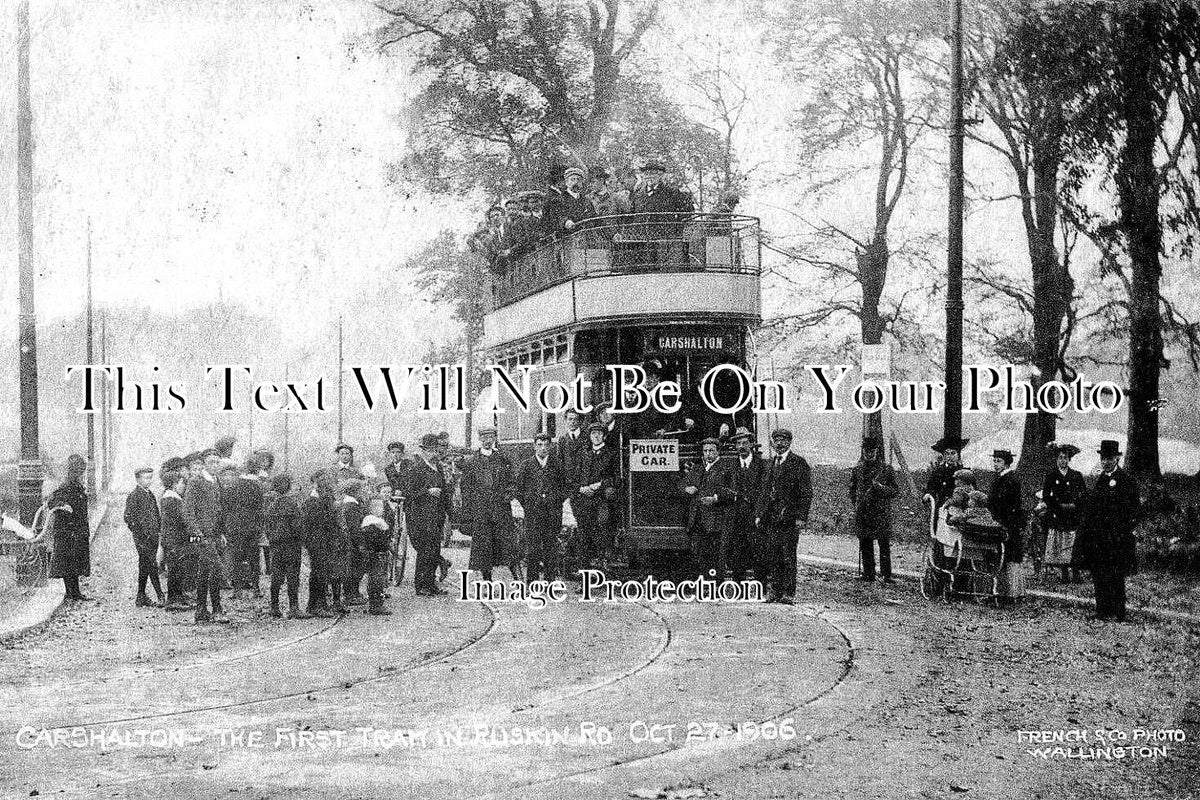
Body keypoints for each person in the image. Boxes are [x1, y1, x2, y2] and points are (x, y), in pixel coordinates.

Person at [1077, 440, 1140, 622]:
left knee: (1116, 575)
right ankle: (1102, 610)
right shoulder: (1101, 480)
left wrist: (1124, 528)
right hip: (1099, 537)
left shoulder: (1125, 480)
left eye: (1110, 458)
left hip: (1117, 537)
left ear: (1117, 458)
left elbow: (1134, 509)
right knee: (1099, 573)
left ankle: (1119, 612)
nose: (1106, 462)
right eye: (1103, 458)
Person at [754, 429, 812, 604]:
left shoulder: (798, 463)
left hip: (789, 518)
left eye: (783, 440)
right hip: (771, 518)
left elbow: (806, 493)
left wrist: (801, 517)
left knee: (788, 556)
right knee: (773, 555)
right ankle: (775, 591)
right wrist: (759, 514)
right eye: (776, 440)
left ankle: (788, 593)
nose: (779, 444)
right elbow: (764, 492)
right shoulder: (771, 463)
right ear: (773, 443)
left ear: (789, 442)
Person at [462, 427, 522, 582]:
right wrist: (469, 513)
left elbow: (512, 482)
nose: (487, 441)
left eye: (490, 437)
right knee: (484, 548)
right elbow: (466, 489)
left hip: (501, 510)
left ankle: (519, 580)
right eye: (484, 438)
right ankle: (487, 581)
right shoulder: (471, 462)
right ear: (479, 439)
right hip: (481, 512)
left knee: (509, 546)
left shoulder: (503, 459)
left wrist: (509, 494)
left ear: (495, 438)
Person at [183, 449, 230, 624]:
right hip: (200, 537)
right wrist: (198, 535)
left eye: (217, 462)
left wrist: (222, 533)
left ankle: (201, 610)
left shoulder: (216, 481)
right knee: (217, 569)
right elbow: (188, 511)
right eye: (211, 462)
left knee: (205, 571)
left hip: (215, 535)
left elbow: (220, 510)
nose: (215, 465)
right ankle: (217, 609)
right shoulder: (196, 482)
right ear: (204, 463)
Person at [515, 432, 566, 582]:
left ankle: (550, 580)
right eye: (539, 445)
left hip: (552, 513)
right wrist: (529, 504)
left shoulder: (557, 465)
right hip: (533, 514)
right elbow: (519, 489)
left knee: (551, 548)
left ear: (550, 447)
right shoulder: (526, 465)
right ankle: (532, 582)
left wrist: (556, 501)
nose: (543, 448)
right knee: (533, 549)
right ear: (534, 446)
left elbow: (565, 487)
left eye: (546, 445)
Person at [682, 438, 736, 578]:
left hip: (716, 519)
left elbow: (733, 491)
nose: (708, 454)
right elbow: (682, 484)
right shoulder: (698, 468)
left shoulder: (726, 468)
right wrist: (686, 488)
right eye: (705, 451)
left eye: (711, 450)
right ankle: (704, 583)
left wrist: (716, 498)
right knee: (699, 553)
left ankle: (716, 585)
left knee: (716, 554)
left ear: (718, 452)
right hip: (697, 518)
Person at [849, 435, 899, 583]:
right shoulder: (857, 470)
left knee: (883, 544)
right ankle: (868, 574)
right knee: (865, 543)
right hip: (864, 513)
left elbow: (895, 490)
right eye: (866, 451)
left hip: (880, 513)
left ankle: (886, 575)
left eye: (872, 451)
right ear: (863, 451)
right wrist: (857, 504)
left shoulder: (886, 470)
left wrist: (881, 488)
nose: (869, 454)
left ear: (877, 451)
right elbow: (852, 490)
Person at [571, 422, 619, 574]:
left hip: (602, 499)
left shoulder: (611, 454)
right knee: (583, 535)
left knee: (602, 528)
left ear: (604, 435)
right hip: (584, 499)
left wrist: (599, 485)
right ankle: (583, 575)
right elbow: (574, 477)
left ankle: (604, 564)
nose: (596, 436)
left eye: (599, 433)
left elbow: (617, 478)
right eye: (593, 433)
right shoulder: (583, 454)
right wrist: (581, 488)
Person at [407, 433, 451, 596]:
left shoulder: (438, 467)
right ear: (424, 451)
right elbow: (410, 493)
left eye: (435, 450)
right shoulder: (416, 468)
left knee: (434, 549)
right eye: (431, 450)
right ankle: (421, 586)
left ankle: (431, 584)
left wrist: (449, 512)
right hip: (422, 516)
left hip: (437, 515)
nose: (434, 453)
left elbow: (445, 491)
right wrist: (427, 491)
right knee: (425, 550)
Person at [1040, 442, 1087, 583]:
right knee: (1060, 542)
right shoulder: (1051, 475)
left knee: (1073, 542)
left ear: (1069, 459)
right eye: (1060, 457)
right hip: (1058, 514)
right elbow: (1047, 496)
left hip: (1072, 514)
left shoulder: (1076, 475)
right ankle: (1064, 572)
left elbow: (1083, 494)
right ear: (1056, 459)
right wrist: (1057, 507)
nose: (1063, 460)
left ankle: (1076, 572)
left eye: (1065, 458)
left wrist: (1075, 505)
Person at [262, 474, 308, 619]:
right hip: (291, 545)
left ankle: (274, 607)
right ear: (288, 487)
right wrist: (302, 540)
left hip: (275, 546)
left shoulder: (272, 504)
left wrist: (272, 539)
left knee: (276, 576)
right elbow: (297, 527)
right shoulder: (292, 504)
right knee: (293, 576)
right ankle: (293, 607)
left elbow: (267, 527)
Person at [48, 454, 92, 602]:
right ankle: (70, 592)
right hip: (67, 531)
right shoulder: (66, 485)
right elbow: (52, 502)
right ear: (74, 471)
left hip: (76, 530)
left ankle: (75, 592)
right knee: (68, 563)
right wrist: (62, 505)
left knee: (75, 562)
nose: (81, 475)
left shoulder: (77, 486)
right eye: (80, 472)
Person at [224, 456, 266, 598]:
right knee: (254, 558)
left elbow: (227, 508)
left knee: (236, 558)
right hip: (252, 528)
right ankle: (256, 588)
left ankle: (237, 590)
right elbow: (261, 509)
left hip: (235, 527)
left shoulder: (232, 486)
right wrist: (260, 528)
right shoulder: (257, 487)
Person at [988, 449, 1026, 599]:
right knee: (1001, 555)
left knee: (1009, 555)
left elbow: (1012, 505)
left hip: (1008, 523)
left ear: (1007, 463)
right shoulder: (999, 478)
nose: (996, 464)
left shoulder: (1010, 480)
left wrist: (1007, 524)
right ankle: (1001, 590)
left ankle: (1011, 592)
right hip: (999, 521)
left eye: (999, 461)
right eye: (995, 461)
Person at [300, 470, 340, 616]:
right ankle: (317, 605)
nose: (326, 482)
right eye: (322, 480)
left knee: (323, 572)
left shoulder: (327, 498)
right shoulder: (311, 501)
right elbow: (308, 524)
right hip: (317, 542)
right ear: (316, 483)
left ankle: (318, 604)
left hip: (327, 540)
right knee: (319, 572)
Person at [124, 466, 164, 607]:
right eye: (146, 478)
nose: (149, 480)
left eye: (150, 477)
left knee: (144, 565)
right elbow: (128, 517)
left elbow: (156, 515)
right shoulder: (134, 495)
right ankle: (160, 595)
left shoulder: (150, 494)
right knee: (152, 564)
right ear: (138, 479)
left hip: (153, 537)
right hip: (142, 539)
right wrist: (139, 532)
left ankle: (140, 596)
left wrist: (158, 530)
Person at [729, 427, 764, 584]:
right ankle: (738, 587)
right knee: (737, 552)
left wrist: (759, 514)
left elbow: (765, 491)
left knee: (758, 552)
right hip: (736, 516)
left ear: (751, 444)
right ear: (735, 446)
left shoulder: (763, 466)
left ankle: (760, 587)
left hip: (754, 515)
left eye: (745, 443)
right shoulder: (730, 466)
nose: (742, 446)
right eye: (738, 443)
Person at [159, 470, 193, 610]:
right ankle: (173, 600)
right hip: (174, 541)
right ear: (174, 484)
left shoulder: (169, 497)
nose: (183, 485)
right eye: (181, 483)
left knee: (178, 569)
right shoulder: (173, 499)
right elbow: (183, 521)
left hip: (173, 540)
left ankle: (178, 596)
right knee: (175, 570)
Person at [360, 496, 393, 615]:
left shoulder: (377, 521)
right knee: (376, 580)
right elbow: (375, 540)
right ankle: (376, 605)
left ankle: (376, 603)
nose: (381, 509)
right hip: (376, 554)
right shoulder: (372, 522)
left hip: (378, 554)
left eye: (381, 506)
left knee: (377, 579)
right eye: (377, 506)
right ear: (371, 509)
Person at [337, 479, 367, 605]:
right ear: (354, 491)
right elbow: (354, 528)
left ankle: (354, 593)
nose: (363, 491)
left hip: (347, 541)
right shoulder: (352, 506)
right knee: (355, 568)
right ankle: (351, 595)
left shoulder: (346, 504)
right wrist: (360, 543)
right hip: (352, 543)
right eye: (361, 489)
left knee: (352, 568)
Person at [545, 165, 593, 236]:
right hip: (568, 239)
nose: (576, 182)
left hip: (588, 237)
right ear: (566, 182)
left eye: (579, 180)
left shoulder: (587, 201)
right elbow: (558, 218)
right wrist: (566, 222)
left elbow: (593, 218)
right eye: (572, 179)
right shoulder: (558, 200)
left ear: (582, 183)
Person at [926, 437, 969, 507]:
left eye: (953, 453)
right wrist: (928, 494)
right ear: (943, 456)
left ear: (958, 455)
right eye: (947, 454)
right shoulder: (937, 472)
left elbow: (973, 493)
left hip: (960, 510)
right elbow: (931, 489)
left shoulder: (965, 472)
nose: (950, 457)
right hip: (942, 508)